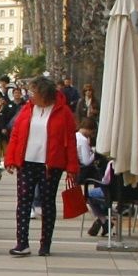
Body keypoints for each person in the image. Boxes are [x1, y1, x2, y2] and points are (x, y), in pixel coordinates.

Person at [5, 76, 82, 257]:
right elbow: (16, 134)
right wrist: (10, 158)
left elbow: (70, 141)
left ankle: (45, 243)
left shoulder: (64, 114)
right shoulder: (27, 109)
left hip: (50, 164)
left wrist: (72, 167)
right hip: (27, 162)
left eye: (34, 92)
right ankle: (22, 242)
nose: (30, 95)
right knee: (23, 201)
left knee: (47, 203)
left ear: (44, 94)